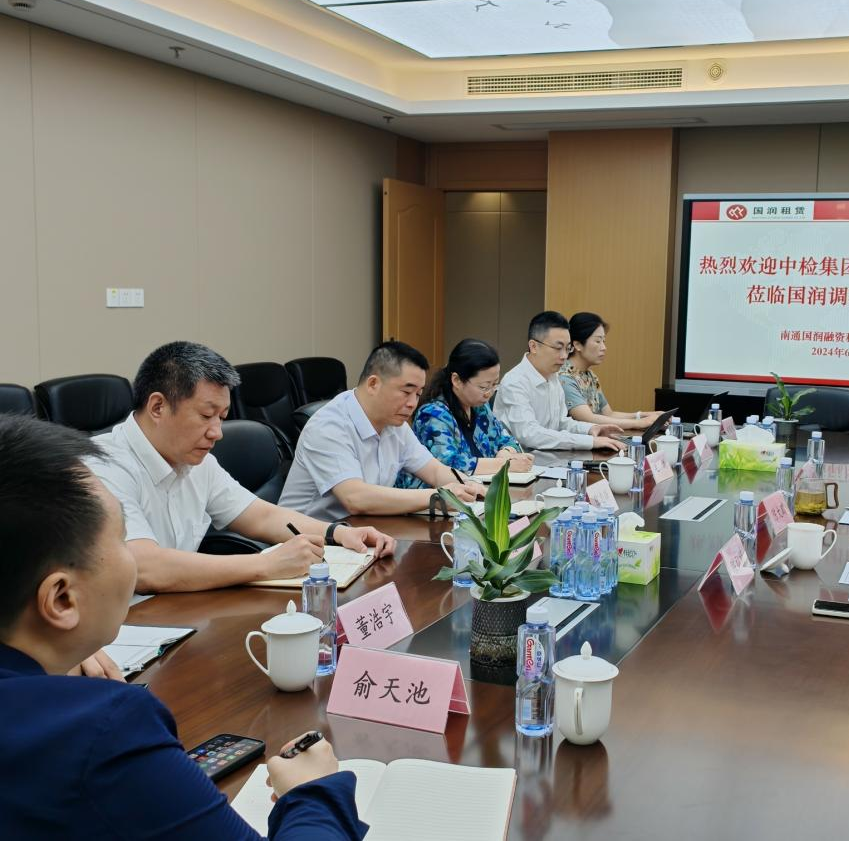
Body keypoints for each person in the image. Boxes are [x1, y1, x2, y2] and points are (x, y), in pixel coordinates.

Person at [0, 415, 367, 839]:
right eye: (121, 540)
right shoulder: (105, 729)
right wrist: (314, 792)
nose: (217, 430)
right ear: (62, 599)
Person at [88, 342, 396, 596]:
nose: (217, 433)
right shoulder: (102, 467)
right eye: (206, 415)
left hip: (179, 613)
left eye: (222, 417)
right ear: (158, 407)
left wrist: (339, 533)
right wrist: (267, 565)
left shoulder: (196, 461)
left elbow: (260, 516)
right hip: (122, 633)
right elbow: (145, 568)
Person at [282, 341, 485, 520]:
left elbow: (434, 470)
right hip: (309, 540)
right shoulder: (329, 426)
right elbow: (356, 498)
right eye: (406, 392)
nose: (412, 403)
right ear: (373, 384)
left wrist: (470, 485)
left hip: (362, 531)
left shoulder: (395, 424)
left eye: (418, 394)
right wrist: (437, 497)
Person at [396, 338, 531, 480]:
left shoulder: (480, 407)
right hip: (436, 491)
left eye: (494, 385)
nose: (489, 393)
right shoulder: (432, 414)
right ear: (457, 380)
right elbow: (448, 464)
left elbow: (507, 439)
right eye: (483, 387)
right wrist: (504, 464)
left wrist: (506, 452)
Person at [493, 311, 625, 452]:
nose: (564, 356)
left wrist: (590, 429)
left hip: (549, 458)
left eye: (567, 348)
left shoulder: (553, 377)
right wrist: (590, 441)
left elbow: (562, 423)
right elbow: (530, 435)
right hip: (521, 461)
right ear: (533, 346)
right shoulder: (515, 382)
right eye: (558, 348)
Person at [560, 312, 662, 431]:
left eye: (604, 341)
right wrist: (640, 423)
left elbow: (609, 414)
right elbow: (588, 418)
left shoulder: (590, 376)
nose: (604, 347)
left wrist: (644, 416)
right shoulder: (565, 378)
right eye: (598, 341)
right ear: (577, 344)